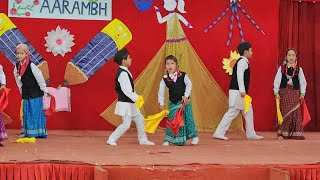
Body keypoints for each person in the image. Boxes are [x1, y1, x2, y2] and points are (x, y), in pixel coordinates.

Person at [213, 42, 263, 140]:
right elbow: (240, 76)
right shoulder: (242, 62)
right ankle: (219, 132)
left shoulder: (243, 62)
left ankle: (251, 133)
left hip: (239, 92)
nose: (252, 52)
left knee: (248, 111)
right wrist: (242, 91)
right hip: (238, 92)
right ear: (245, 52)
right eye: (251, 50)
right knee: (232, 112)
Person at [106, 48, 155, 146]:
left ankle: (143, 140)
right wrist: (137, 98)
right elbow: (127, 91)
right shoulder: (123, 73)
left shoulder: (125, 71)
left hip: (130, 103)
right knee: (126, 124)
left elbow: (130, 89)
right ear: (123, 61)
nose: (131, 59)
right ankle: (111, 139)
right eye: (129, 58)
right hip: (125, 103)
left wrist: (136, 97)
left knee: (140, 119)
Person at [158, 55, 199, 146]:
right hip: (174, 103)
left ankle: (194, 137)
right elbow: (161, 90)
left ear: (176, 66)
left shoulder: (183, 75)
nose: (170, 66)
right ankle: (168, 140)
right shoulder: (165, 79)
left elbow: (189, 85)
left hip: (184, 102)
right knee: (172, 121)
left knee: (188, 120)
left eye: (172, 63)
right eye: (168, 64)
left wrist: (186, 96)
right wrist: (161, 102)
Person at [14, 44, 49, 138]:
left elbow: (40, 78)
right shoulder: (17, 66)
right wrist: (21, 90)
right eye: (17, 53)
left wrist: (45, 89)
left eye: (21, 53)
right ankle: (28, 132)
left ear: (26, 54)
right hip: (26, 92)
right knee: (27, 112)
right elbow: (18, 80)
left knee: (35, 112)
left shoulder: (32, 65)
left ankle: (37, 132)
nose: (19, 55)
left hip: (35, 92)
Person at [273, 48, 307, 140]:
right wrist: (276, 92)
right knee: (284, 113)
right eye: (289, 55)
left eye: (293, 55)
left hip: (295, 93)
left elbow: (303, 82)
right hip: (284, 92)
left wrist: (302, 93)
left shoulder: (299, 69)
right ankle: (283, 133)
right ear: (285, 57)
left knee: (295, 113)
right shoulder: (282, 68)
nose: (291, 57)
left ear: (296, 57)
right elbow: (277, 81)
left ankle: (295, 133)